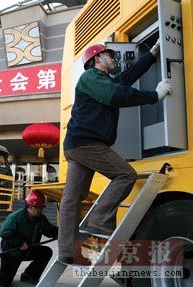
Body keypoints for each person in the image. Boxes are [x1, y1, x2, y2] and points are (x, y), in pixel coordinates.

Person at [58, 40, 172, 265]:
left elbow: (127, 78)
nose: (114, 58)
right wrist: (154, 96)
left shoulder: (102, 80)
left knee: (72, 199)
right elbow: (119, 95)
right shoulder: (91, 77)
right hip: (87, 144)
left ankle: (68, 251)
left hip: (77, 145)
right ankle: (100, 219)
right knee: (125, 175)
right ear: (97, 60)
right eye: (110, 55)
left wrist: (150, 55)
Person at [0, 190, 58, 286]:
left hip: (28, 249)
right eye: (38, 208)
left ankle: (30, 275)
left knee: (46, 252)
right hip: (12, 252)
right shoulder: (15, 217)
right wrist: (19, 243)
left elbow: (49, 230)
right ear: (30, 206)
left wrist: (62, 233)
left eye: (42, 208)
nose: (41, 210)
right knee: (4, 281)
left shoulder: (41, 218)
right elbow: (4, 232)